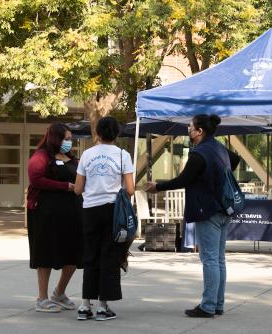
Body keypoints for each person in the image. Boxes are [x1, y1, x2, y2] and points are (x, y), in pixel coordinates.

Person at [145, 114, 240, 318]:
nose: (188, 130)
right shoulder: (218, 148)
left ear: (199, 131)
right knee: (219, 259)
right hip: (224, 209)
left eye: (190, 127)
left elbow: (183, 180)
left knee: (210, 259)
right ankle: (217, 303)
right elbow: (236, 160)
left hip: (207, 211)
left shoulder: (200, 154)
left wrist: (158, 186)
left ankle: (207, 306)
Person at [74, 116, 134, 321]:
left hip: (90, 210)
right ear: (116, 134)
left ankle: (84, 305)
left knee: (90, 255)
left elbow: (78, 189)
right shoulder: (122, 155)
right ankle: (102, 306)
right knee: (109, 256)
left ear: (97, 133)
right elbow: (130, 189)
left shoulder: (87, 155)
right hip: (113, 211)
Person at [27, 123, 83, 313]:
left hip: (72, 213)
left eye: (70, 139)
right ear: (55, 138)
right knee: (45, 253)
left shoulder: (71, 158)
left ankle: (59, 293)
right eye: (66, 139)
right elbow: (36, 179)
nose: (69, 142)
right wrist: (64, 186)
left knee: (74, 253)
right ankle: (42, 299)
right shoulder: (41, 156)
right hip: (45, 213)